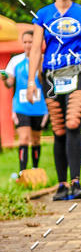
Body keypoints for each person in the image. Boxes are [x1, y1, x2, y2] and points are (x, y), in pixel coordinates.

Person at [27, 0, 81, 200]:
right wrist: (31, 81)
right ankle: (61, 185)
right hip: (51, 76)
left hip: (78, 73)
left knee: (72, 123)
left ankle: (76, 183)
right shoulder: (42, 15)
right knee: (58, 130)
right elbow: (36, 50)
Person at [1, 29, 48, 174]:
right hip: (21, 105)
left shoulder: (43, 59)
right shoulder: (16, 61)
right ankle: (22, 172)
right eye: (25, 42)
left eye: (31, 42)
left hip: (39, 105)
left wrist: (39, 66)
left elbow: (45, 82)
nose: (28, 45)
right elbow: (10, 83)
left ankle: (35, 169)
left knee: (36, 139)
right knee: (24, 137)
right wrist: (4, 79)